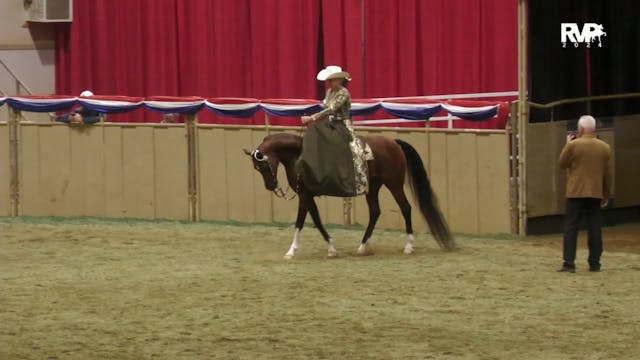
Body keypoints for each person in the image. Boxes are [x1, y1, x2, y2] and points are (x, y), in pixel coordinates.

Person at [299, 65, 369, 197]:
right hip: (330, 123)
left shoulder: (344, 93)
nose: (329, 83)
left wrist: (312, 117)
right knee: (314, 130)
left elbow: (331, 108)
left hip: (342, 124)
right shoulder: (329, 92)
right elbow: (326, 106)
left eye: (331, 80)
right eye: (328, 81)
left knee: (334, 141)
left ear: (339, 80)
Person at [557, 115, 612, 273]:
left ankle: (569, 263)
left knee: (571, 227)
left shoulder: (573, 145)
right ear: (594, 129)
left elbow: (562, 164)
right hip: (595, 191)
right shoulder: (604, 147)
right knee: (595, 227)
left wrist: (568, 144)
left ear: (580, 129)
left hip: (575, 191)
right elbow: (607, 173)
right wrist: (606, 192)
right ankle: (594, 263)